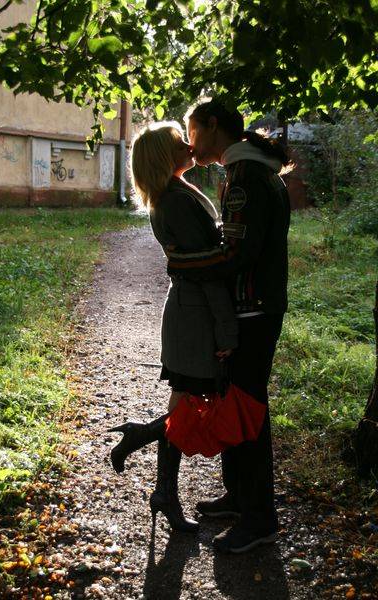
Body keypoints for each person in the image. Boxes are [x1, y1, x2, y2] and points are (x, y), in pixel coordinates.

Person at [166, 99, 291, 553]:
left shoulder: (247, 177)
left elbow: (236, 254)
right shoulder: (247, 171)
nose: (189, 142)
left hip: (254, 311)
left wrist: (182, 263)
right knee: (236, 403)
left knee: (247, 411)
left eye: (192, 131)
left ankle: (259, 519)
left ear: (212, 126)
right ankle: (239, 497)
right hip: (252, 308)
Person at [109, 121, 238, 533]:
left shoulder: (175, 193)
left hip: (190, 313)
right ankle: (153, 464)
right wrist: (226, 331)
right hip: (195, 318)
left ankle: (161, 484)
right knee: (186, 406)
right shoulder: (175, 201)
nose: (190, 145)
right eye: (180, 143)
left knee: (182, 403)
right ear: (165, 157)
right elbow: (207, 272)